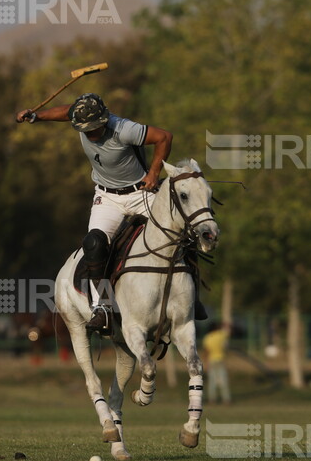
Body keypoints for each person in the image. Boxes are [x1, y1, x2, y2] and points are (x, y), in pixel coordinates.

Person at [16, 93, 203, 335]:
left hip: (141, 193)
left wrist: (154, 172)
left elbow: (164, 137)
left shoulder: (124, 128)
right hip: (107, 198)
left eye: (93, 129)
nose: (89, 134)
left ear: (103, 120)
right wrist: (36, 116)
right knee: (94, 244)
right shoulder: (81, 120)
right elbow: (67, 112)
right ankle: (102, 307)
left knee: (180, 234)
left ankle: (193, 298)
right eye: (84, 129)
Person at [202, 322, 232, 405]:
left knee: (212, 382)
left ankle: (212, 400)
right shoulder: (221, 335)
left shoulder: (207, 338)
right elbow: (228, 331)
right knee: (223, 381)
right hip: (221, 360)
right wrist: (225, 324)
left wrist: (206, 364)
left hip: (212, 361)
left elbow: (206, 352)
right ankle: (226, 400)